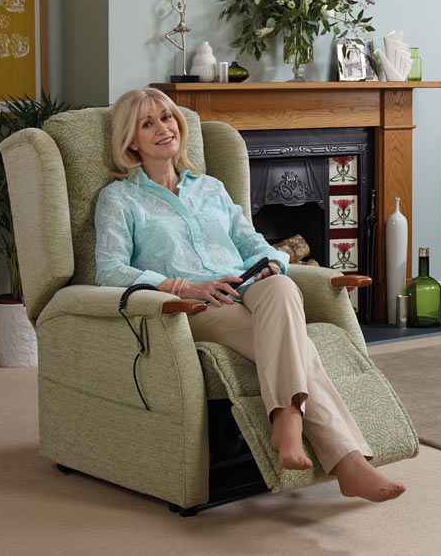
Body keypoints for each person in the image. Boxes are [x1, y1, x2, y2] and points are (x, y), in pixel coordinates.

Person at [94, 87, 405, 502]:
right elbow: (110, 271)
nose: (162, 129)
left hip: (248, 286)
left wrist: (271, 261)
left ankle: (287, 418)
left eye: (166, 118)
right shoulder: (119, 198)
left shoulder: (210, 188)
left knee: (281, 284)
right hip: (197, 305)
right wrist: (181, 286)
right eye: (147, 124)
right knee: (301, 349)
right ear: (131, 141)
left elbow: (251, 243)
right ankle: (347, 459)